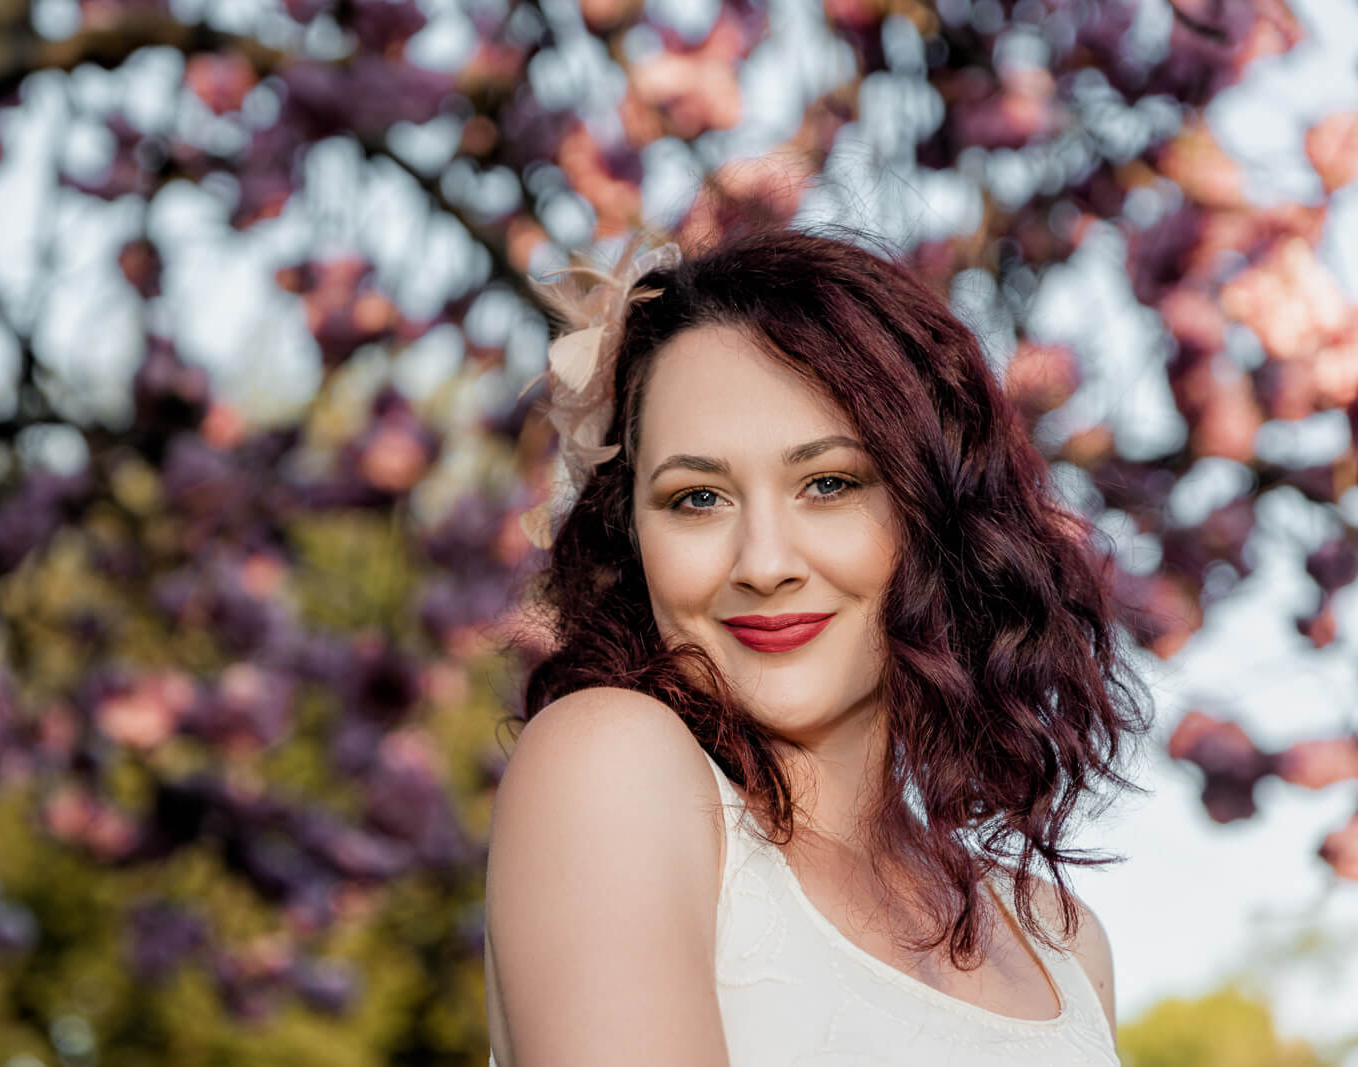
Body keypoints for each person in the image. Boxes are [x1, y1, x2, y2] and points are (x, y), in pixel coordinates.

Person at [483, 227, 1150, 1066]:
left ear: (931, 509)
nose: (763, 563)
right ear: (632, 534)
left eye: (828, 483)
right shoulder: (609, 764)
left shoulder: (1065, 946)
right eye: (697, 498)